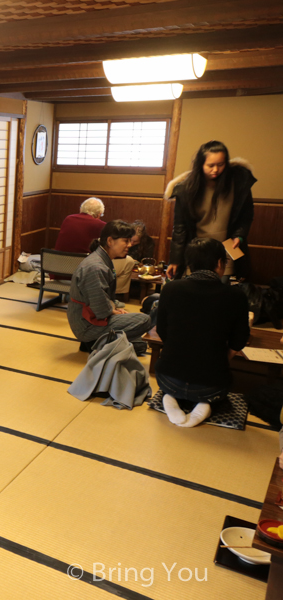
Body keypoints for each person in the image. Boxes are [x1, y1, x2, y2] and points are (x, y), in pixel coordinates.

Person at [155, 238, 250, 427]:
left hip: (168, 378)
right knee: (217, 383)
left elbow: (161, 330)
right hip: (211, 386)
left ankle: (169, 397)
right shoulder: (236, 295)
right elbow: (239, 340)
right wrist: (222, 361)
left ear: (190, 264)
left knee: (172, 384)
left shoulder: (171, 288)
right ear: (219, 263)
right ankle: (205, 403)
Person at [165, 140, 256, 281]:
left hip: (228, 246)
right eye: (210, 165)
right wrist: (175, 260)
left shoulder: (239, 182)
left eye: (220, 165)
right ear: (200, 164)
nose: (215, 170)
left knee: (220, 292)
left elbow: (246, 215)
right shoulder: (186, 189)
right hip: (197, 248)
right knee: (195, 291)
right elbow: (180, 228)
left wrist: (239, 236)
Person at [67, 220, 152, 355]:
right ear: (110, 241)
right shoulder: (95, 267)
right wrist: (112, 311)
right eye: (126, 241)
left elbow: (104, 298)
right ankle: (94, 342)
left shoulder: (102, 259)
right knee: (145, 320)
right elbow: (101, 310)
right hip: (87, 325)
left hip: (90, 318)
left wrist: (115, 309)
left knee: (140, 345)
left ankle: (97, 343)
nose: (129, 245)